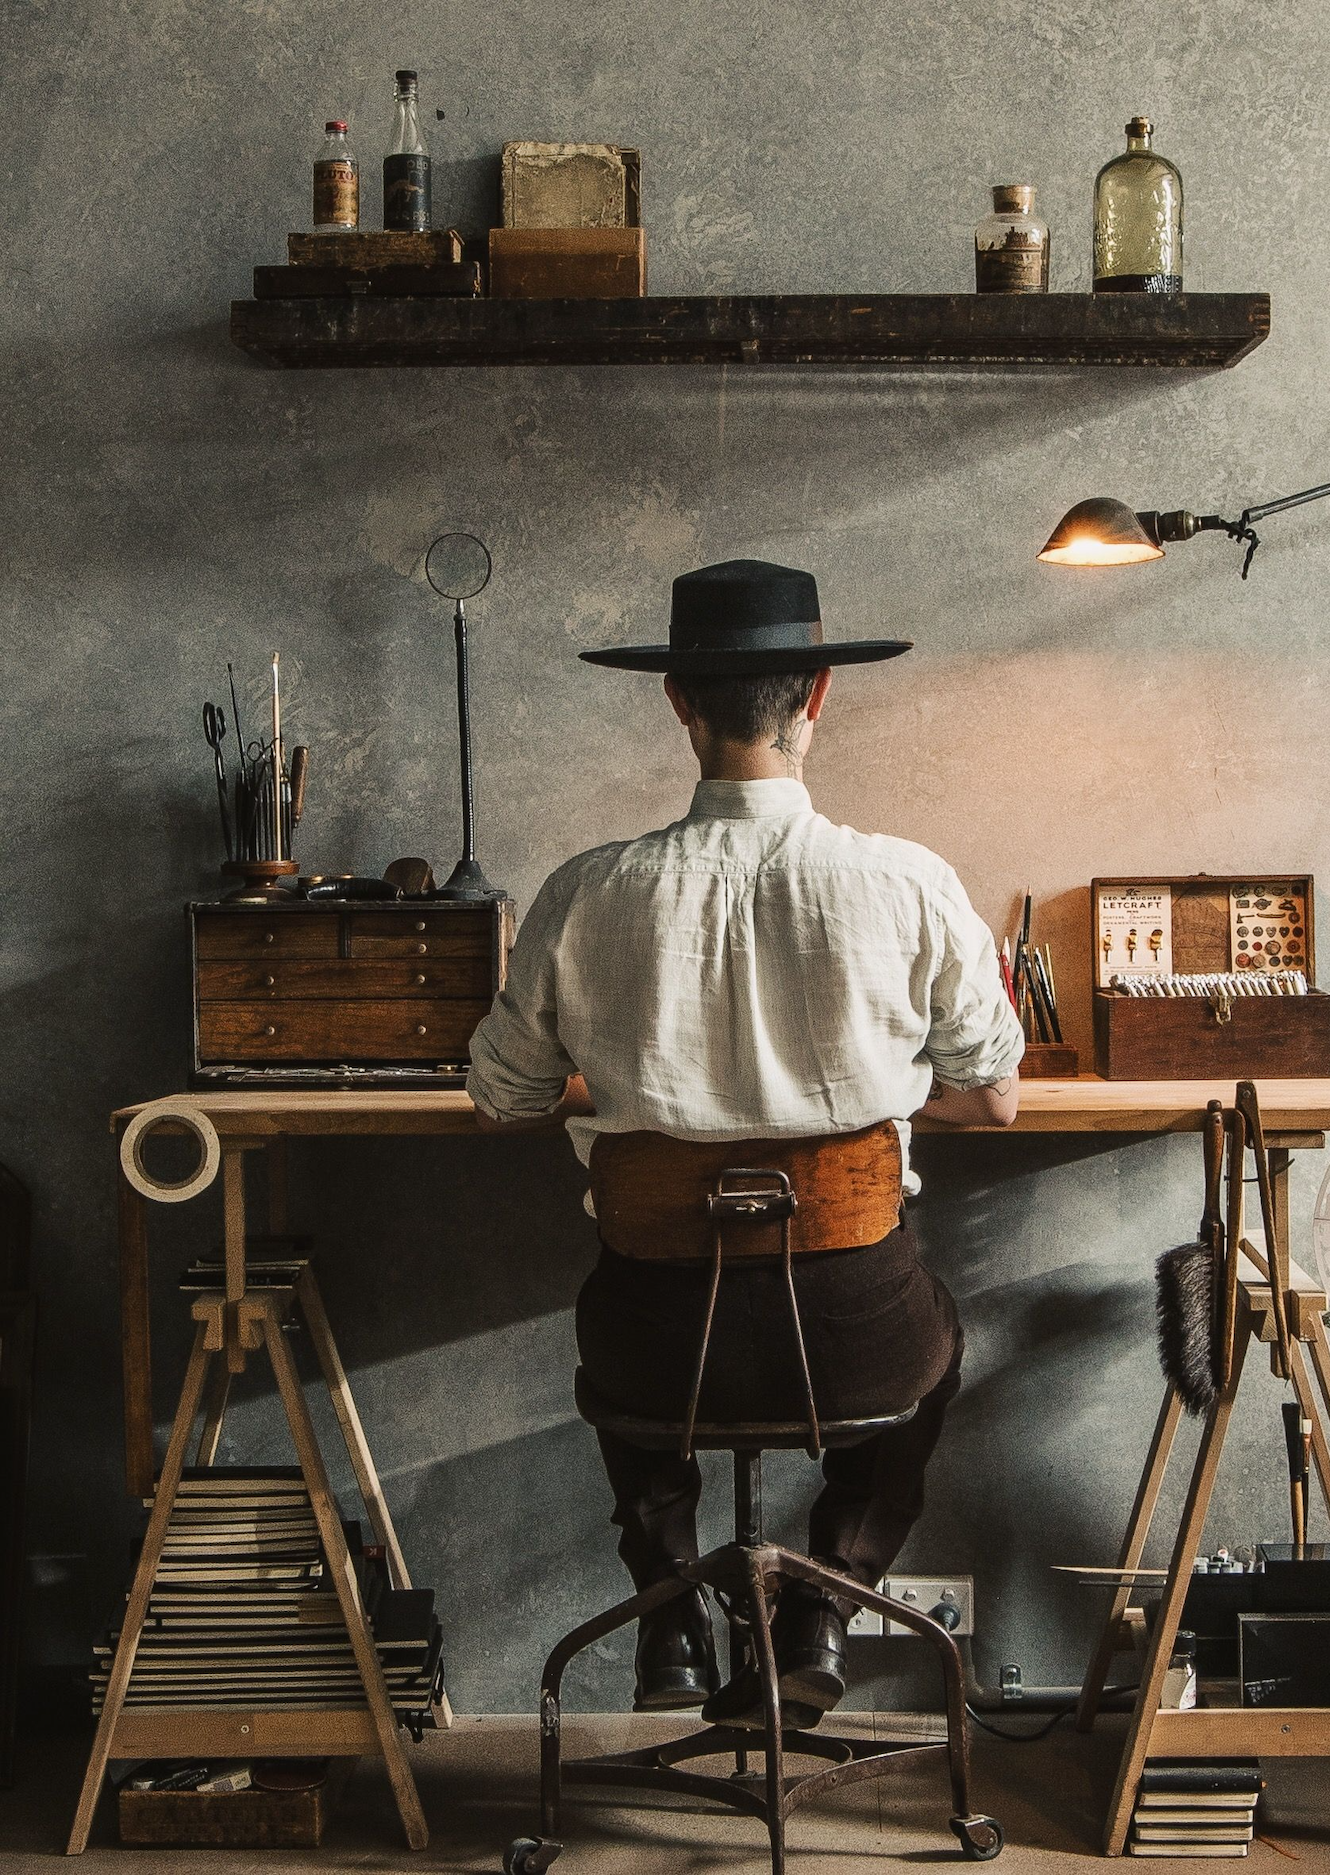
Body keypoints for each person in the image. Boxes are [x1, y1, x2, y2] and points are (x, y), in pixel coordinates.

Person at [469, 558, 1023, 1728]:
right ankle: (823, 1603)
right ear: (818, 695)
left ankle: (671, 1607)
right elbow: (995, 1099)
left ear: (677, 699)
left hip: (661, 1350)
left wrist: (624, 1090)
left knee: (620, 1334)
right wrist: (883, 1097)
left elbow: (504, 1101)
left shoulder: (585, 891)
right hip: (854, 1342)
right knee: (935, 1345)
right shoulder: (908, 882)